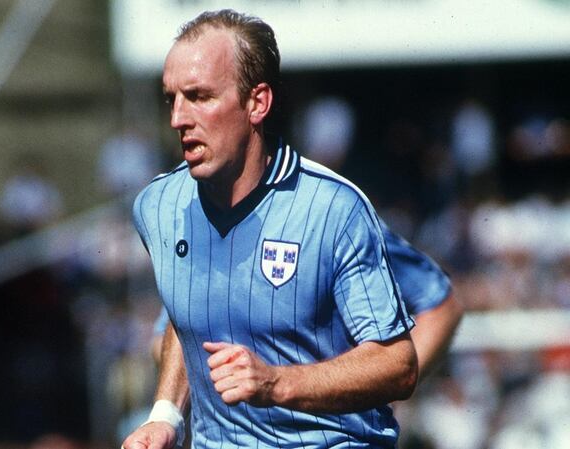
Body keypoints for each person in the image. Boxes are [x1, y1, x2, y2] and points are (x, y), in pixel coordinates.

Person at [123, 9, 420, 449]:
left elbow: (399, 364)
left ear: (257, 103)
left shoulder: (333, 208)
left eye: (200, 96)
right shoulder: (158, 207)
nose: (178, 119)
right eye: (172, 99)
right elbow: (185, 322)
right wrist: (167, 415)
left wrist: (277, 383)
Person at [151, 224, 463, 380]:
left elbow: (440, 305)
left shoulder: (334, 214)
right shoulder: (207, 227)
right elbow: (165, 338)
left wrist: (380, 387)